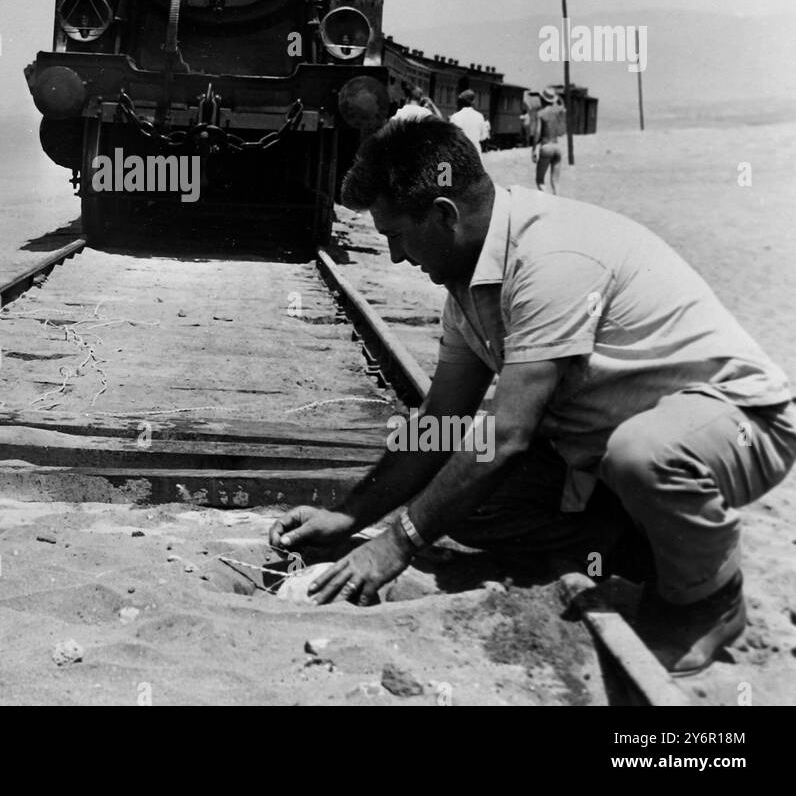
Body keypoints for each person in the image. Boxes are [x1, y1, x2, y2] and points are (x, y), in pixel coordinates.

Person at [270, 118, 794, 675]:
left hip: (737, 424)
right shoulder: (468, 286)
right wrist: (350, 517)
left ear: (445, 214)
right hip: (613, 440)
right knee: (468, 503)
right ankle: (637, 547)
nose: (396, 256)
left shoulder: (551, 257)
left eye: (396, 234)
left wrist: (397, 544)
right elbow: (439, 422)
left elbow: (508, 434)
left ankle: (714, 600)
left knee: (642, 455)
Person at [533, 87, 567, 193]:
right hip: (557, 147)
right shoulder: (558, 112)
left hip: (546, 146)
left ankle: (544, 203)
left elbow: (537, 133)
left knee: (540, 181)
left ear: (542, 99)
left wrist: (534, 148)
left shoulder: (540, 114)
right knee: (555, 181)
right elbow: (562, 132)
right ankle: (557, 203)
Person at [448, 89, 490, 154]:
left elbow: (451, 137)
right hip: (475, 153)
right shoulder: (479, 116)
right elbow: (483, 137)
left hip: (460, 152)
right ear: (473, 101)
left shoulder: (455, 116)